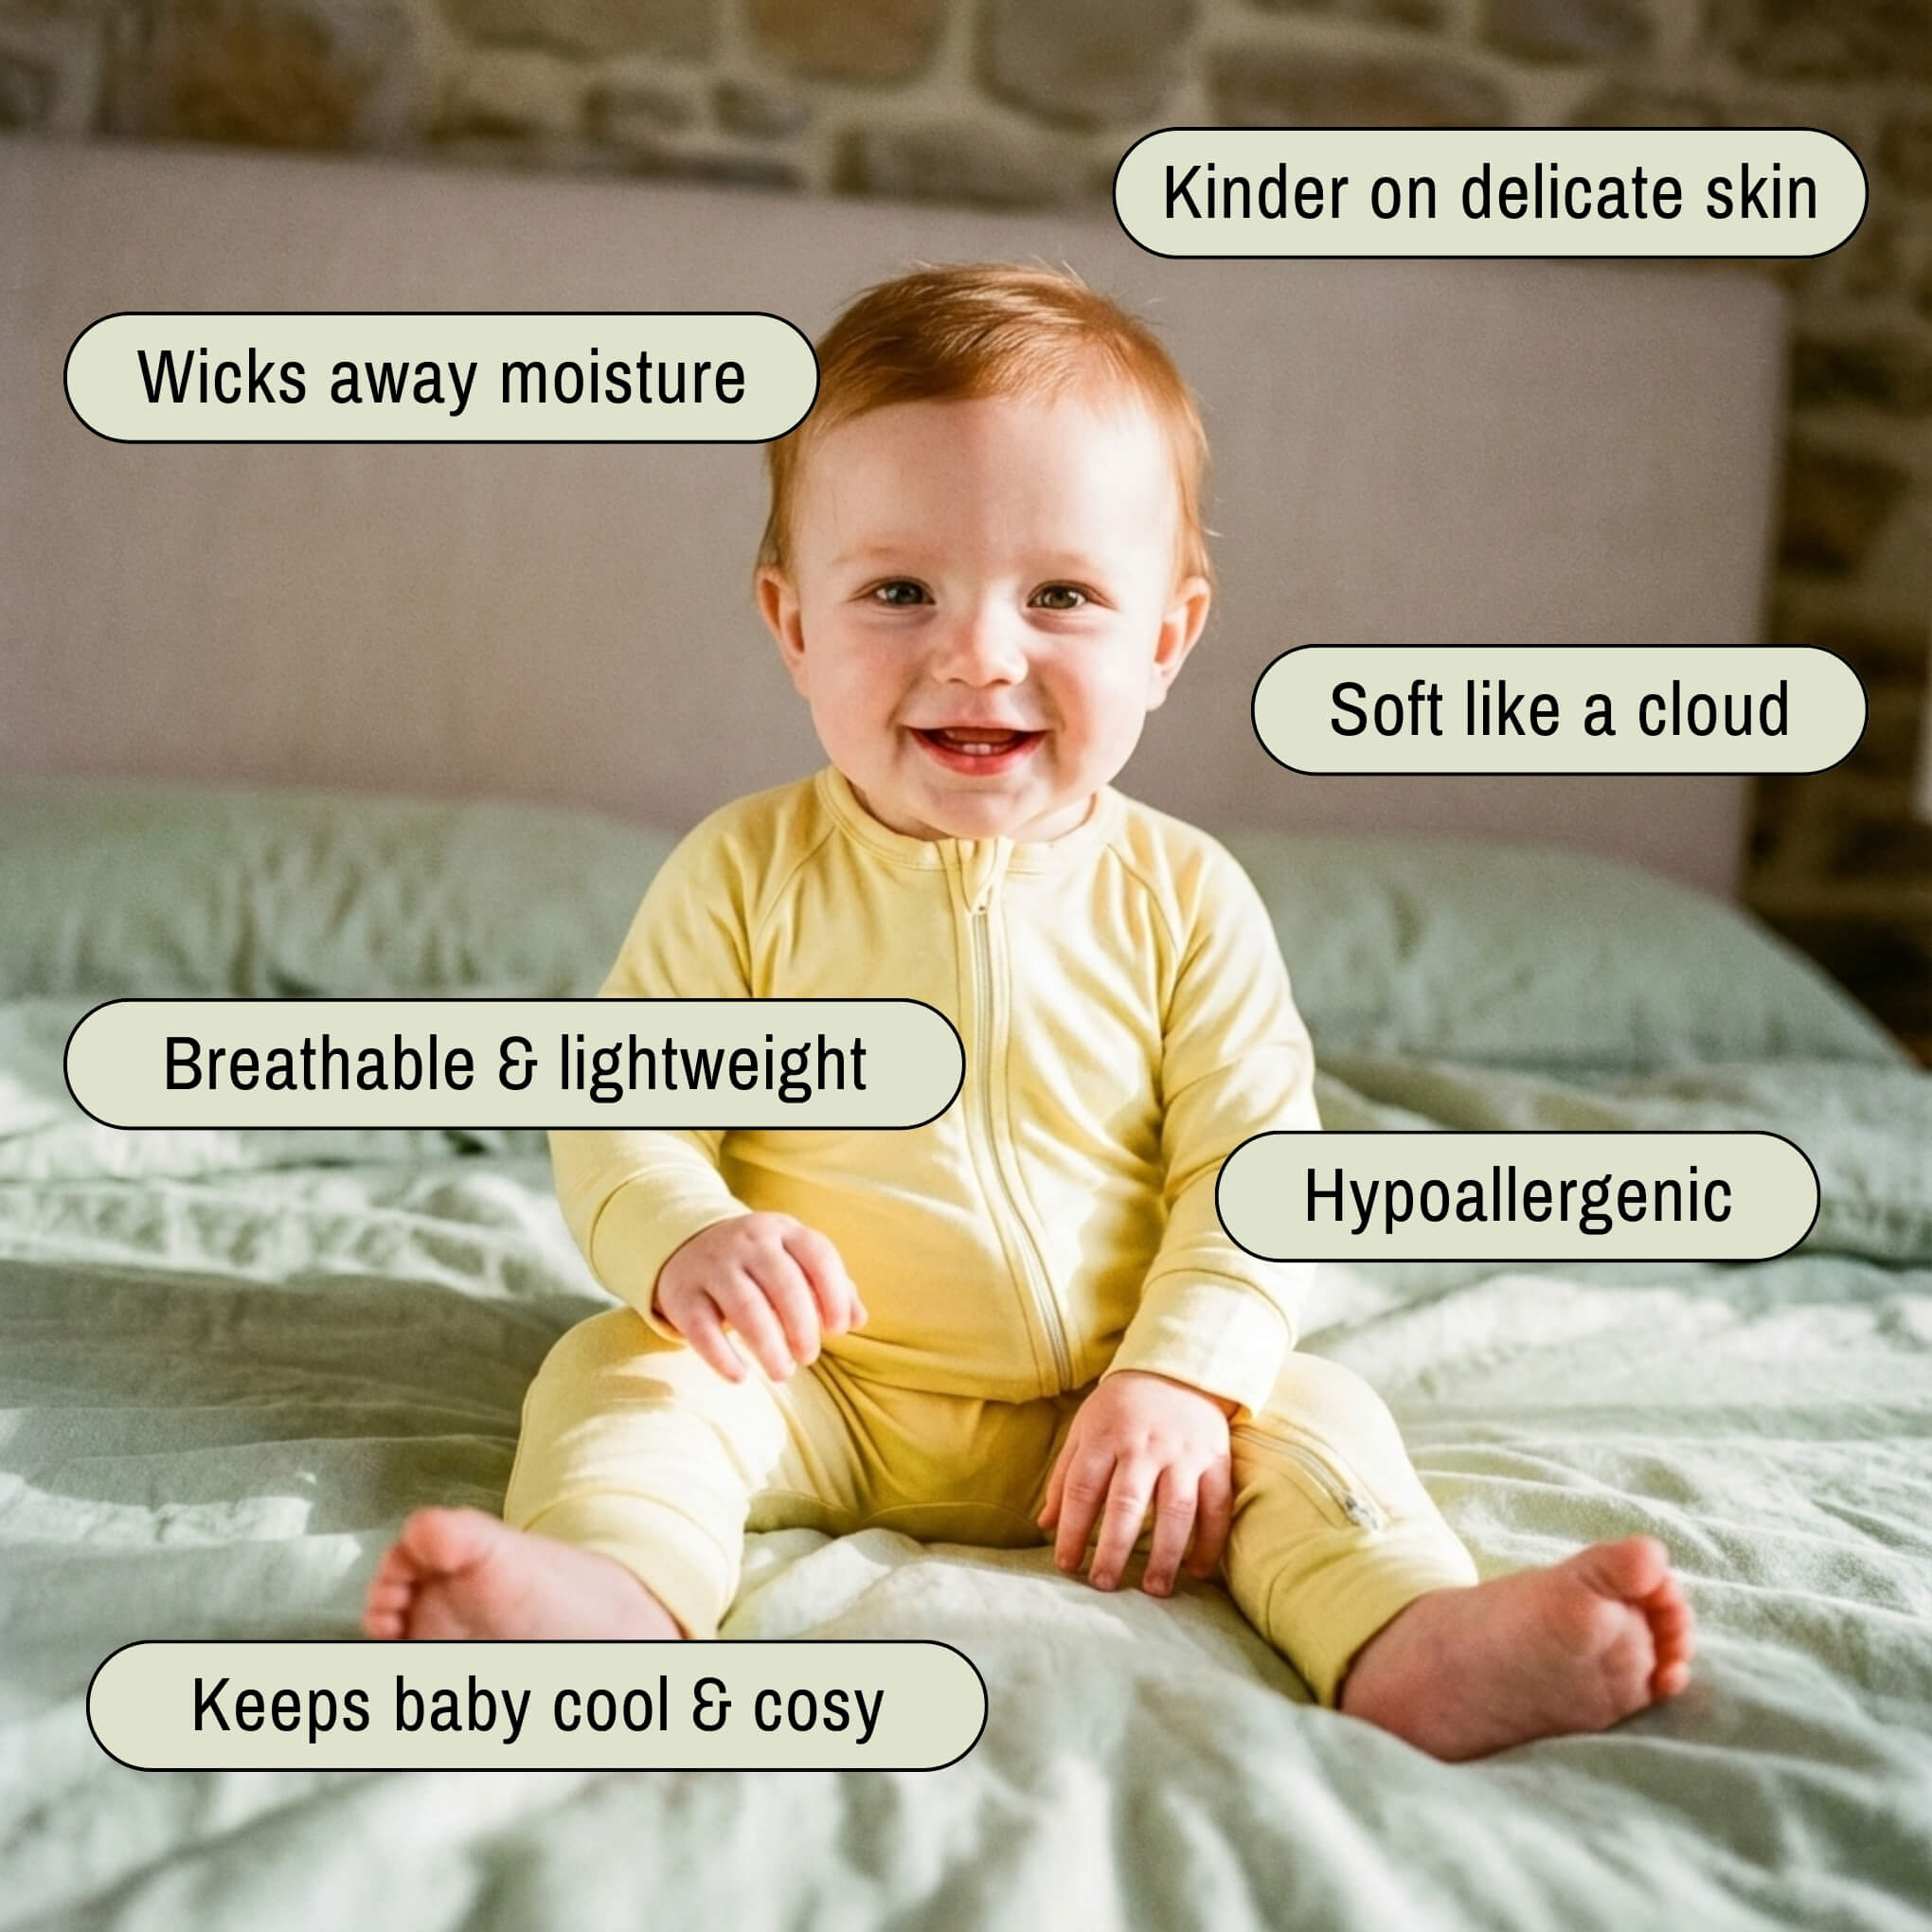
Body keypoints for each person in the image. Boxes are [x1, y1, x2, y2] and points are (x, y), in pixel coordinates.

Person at [363, 263, 1694, 1760]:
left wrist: (1185, 1373)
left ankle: (1412, 1634)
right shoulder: (739, 873)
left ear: (1168, 638)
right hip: (820, 1389)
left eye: (1060, 594)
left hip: (1119, 1417)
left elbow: (1258, 1179)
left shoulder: (1185, 899)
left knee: (1311, 1417)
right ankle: (609, 1596)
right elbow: (623, 1112)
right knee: (617, 1376)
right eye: (898, 590)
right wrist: (684, 1242)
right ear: (790, 622)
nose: (979, 651)